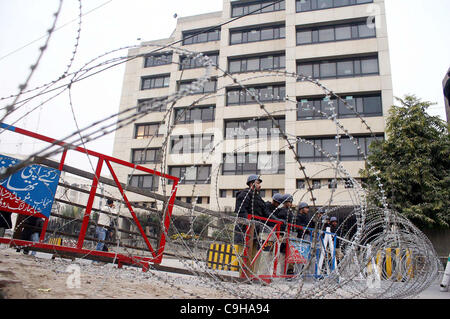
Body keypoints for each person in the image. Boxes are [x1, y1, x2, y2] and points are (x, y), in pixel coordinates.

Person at [234, 175, 268, 275]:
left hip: (256, 230)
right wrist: (249, 223)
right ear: (251, 183)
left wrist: (277, 220)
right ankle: (243, 275)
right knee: (244, 253)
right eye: (258, 183)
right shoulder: (244, 194)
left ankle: (251, 274)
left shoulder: (258, 198)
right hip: (244, 230)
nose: (260, 186)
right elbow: (241, 211)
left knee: (254, 253)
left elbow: (266, 213)